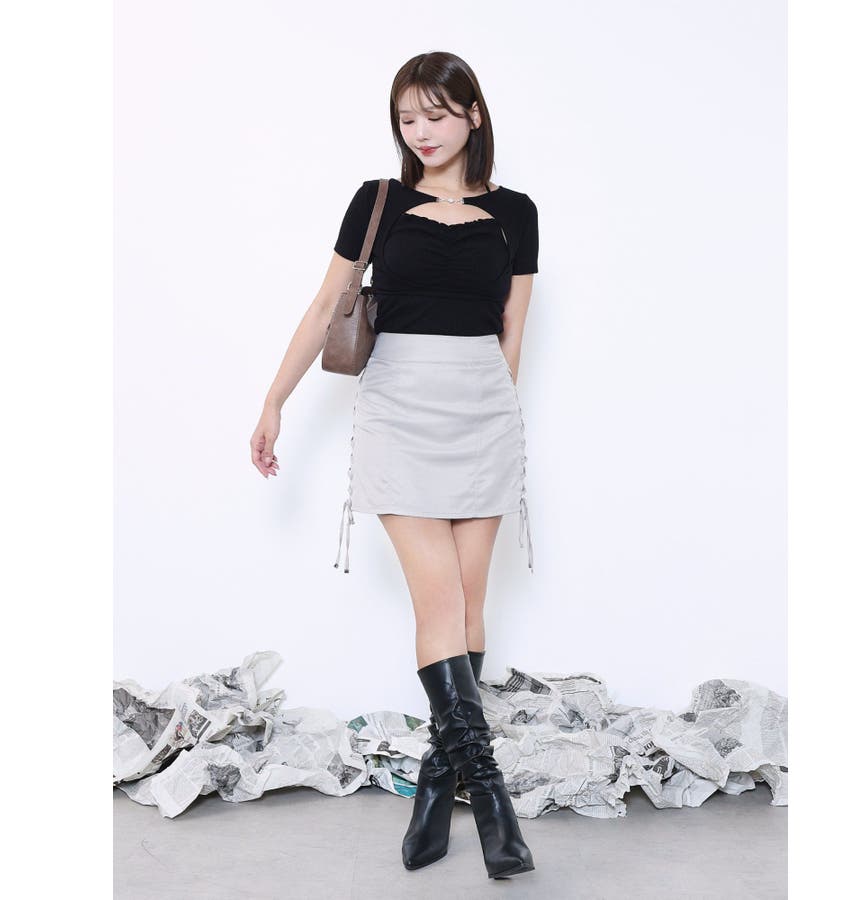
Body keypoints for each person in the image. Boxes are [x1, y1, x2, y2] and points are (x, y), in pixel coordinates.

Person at [249, 51, 538, 880]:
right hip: (398, 411)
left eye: (436, 116)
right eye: (408, 119)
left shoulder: (516, 213)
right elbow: (324, 305)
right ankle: (492, 802)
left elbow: (513, 331)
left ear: (473, 115)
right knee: (439, 602)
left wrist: (495, 410)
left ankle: (434, 791)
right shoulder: (378, 201)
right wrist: (274, 400)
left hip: (482, 413)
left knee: (470, 610)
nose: (422, 132)